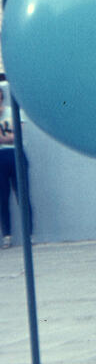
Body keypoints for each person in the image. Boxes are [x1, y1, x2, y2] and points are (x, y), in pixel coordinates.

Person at [0, 86, 16, 249]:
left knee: (22, 195)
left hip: (15, 154)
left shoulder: (11, 112)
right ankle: (7, 235)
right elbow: (10, 137)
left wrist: (5, 139)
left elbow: (17, 136)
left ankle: (29, 234)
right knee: (2, 198)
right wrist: (7, 138)